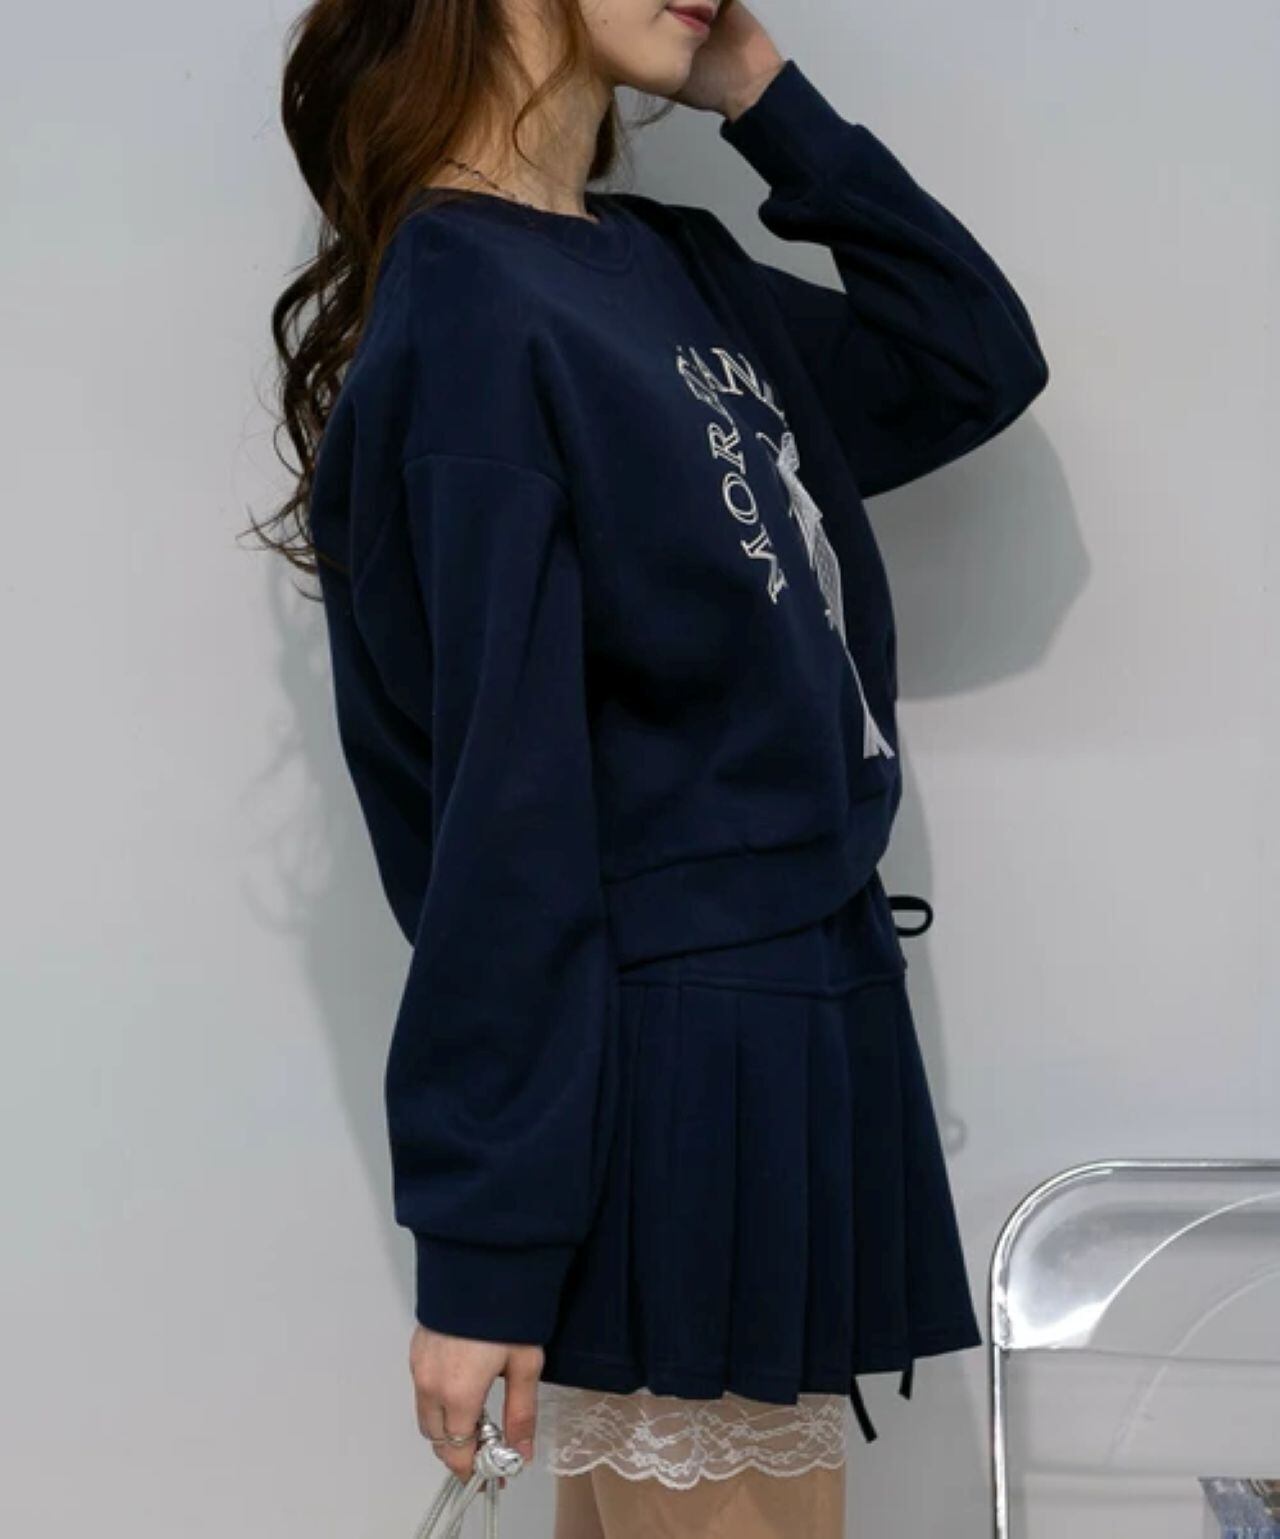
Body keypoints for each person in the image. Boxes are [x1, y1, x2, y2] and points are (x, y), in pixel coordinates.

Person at [254, 0, 1049, 1532]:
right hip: (679, 1058)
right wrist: (485, 1247)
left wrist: (760, 89)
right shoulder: (474, 304)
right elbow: (506, 818)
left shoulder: (667, 268)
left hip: (789, 1027)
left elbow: (969, 359)